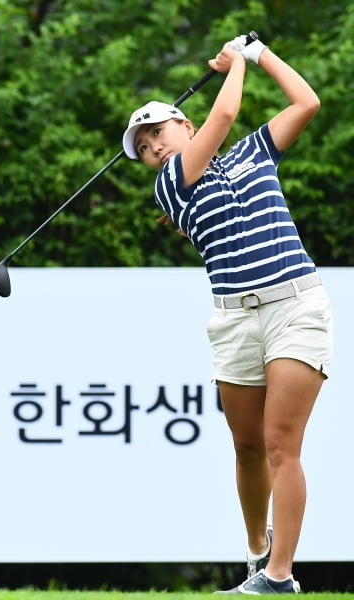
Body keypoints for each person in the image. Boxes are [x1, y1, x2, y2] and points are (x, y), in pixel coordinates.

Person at [122, 35, 333, 595]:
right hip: (234, 320)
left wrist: (260, 54)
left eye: (158, 133)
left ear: (184, 125)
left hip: (296, 305)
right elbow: (229, 109)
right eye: (143, 147)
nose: (153, 148)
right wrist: (236, 62)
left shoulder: (252, 153)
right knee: (246, 448)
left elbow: (306, 103)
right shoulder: (173, 185)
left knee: (281, 443)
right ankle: (257, 553)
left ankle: (280, 578)